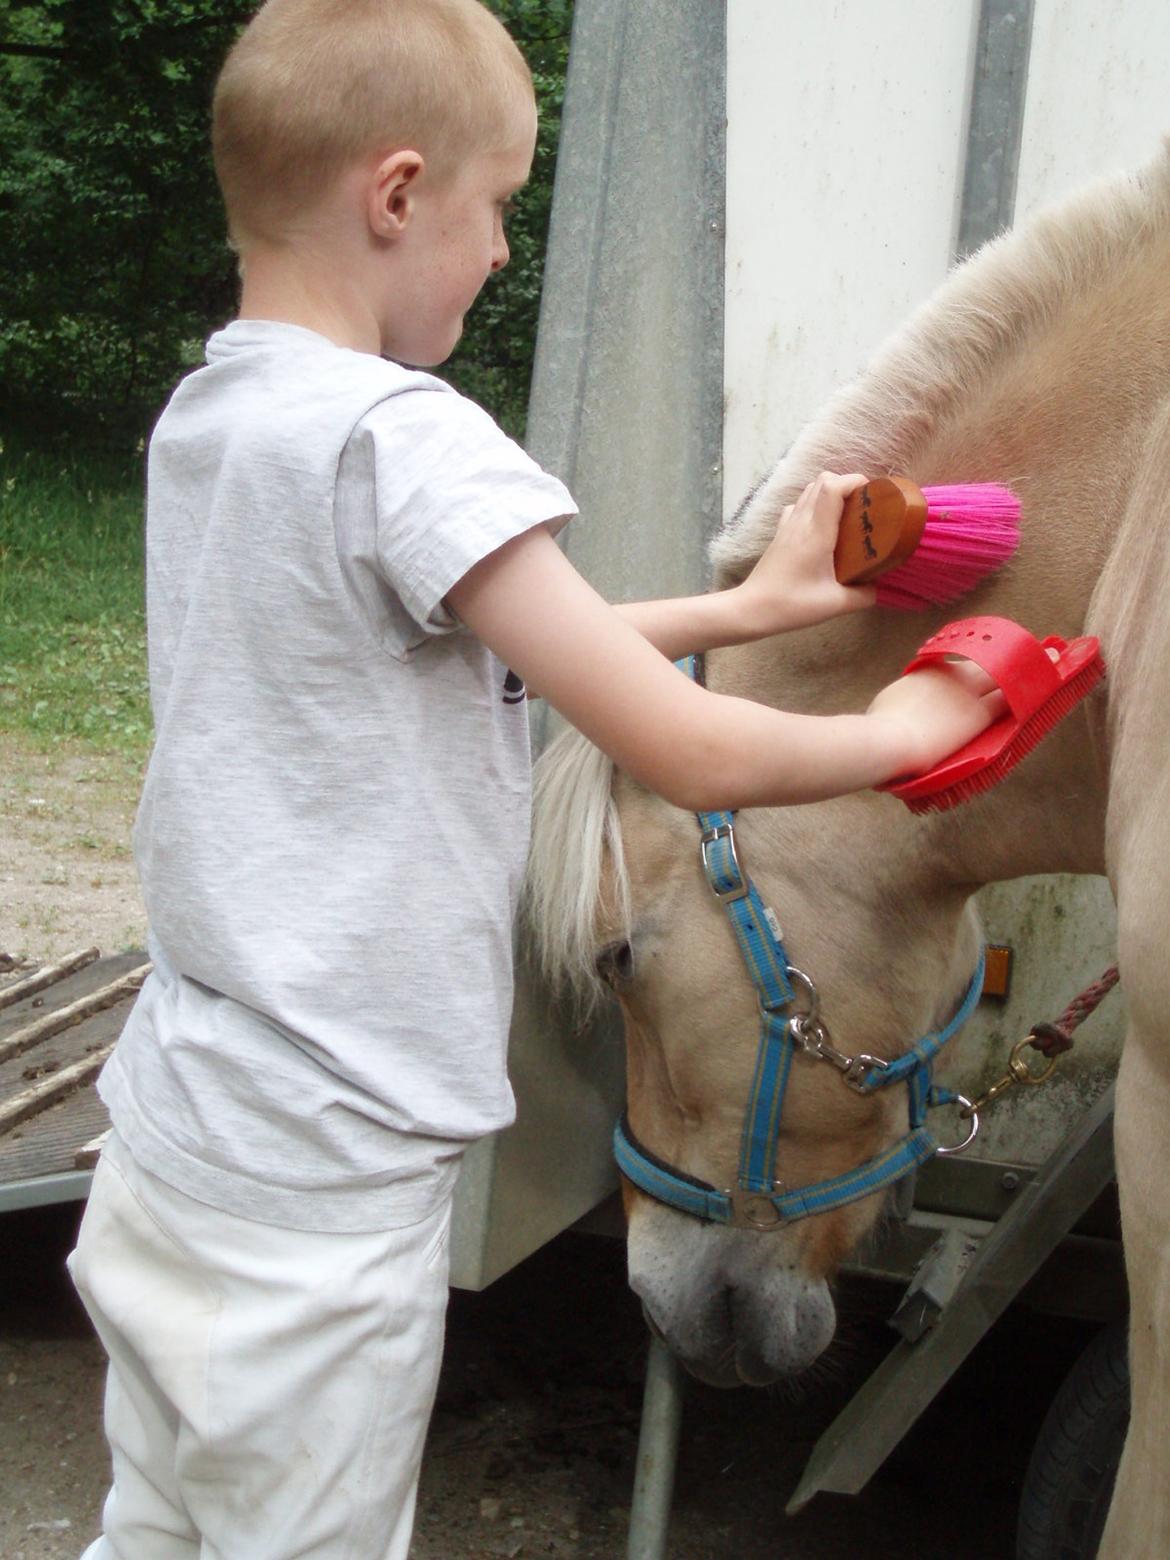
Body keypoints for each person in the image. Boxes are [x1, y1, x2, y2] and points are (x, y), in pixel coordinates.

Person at [67, 1, 1004, 1556]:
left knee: (156, 1526)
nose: (504, 248)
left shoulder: (219, 416)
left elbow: (472, 646)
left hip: (177, 1146)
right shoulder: (408, 440)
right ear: (396, 193)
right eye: (499, 204)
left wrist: (749, 612)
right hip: (323, 1199)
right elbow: (684, 746)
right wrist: (900, 735)